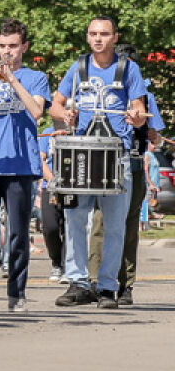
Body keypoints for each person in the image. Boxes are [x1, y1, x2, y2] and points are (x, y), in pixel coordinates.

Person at [50, 16, 150, 308]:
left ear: (115, 37)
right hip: (82, 151)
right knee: (75, 219)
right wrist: (64, 114)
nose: (98, 39)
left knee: (115, 225)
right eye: (93, 33)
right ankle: (78, 282)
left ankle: (107, 287)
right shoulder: (78, 67)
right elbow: (56, 103)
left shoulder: (128, 69)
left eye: (104, 34)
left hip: (116, 152)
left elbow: (139, 108)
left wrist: (136, 117)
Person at [0, 18, 49, 313]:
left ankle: (17, 293)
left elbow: (37, 111)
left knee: (18, 233)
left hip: (21, 164)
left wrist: (12, 80)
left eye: (13, 47)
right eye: (2, 46)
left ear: (24, 47)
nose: (7, 52)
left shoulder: (35, 77)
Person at [84, 44, 166, 305]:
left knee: (129, 226)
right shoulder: (101, 92)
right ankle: (96, 280)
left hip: (132, 163)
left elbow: (158, 138)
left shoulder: (145, 98)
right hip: (104, 161)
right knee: (100, 223)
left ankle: (125, 283)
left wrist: (150, 132)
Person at [37, 132, 66, 281]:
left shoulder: (77, 131)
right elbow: (41, 160)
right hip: (50, 187)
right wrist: (51, 179)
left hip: (71, 186)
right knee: (50, 227)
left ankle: (66, 265)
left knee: (70, 228)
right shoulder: (48, 133)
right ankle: (56, 262)